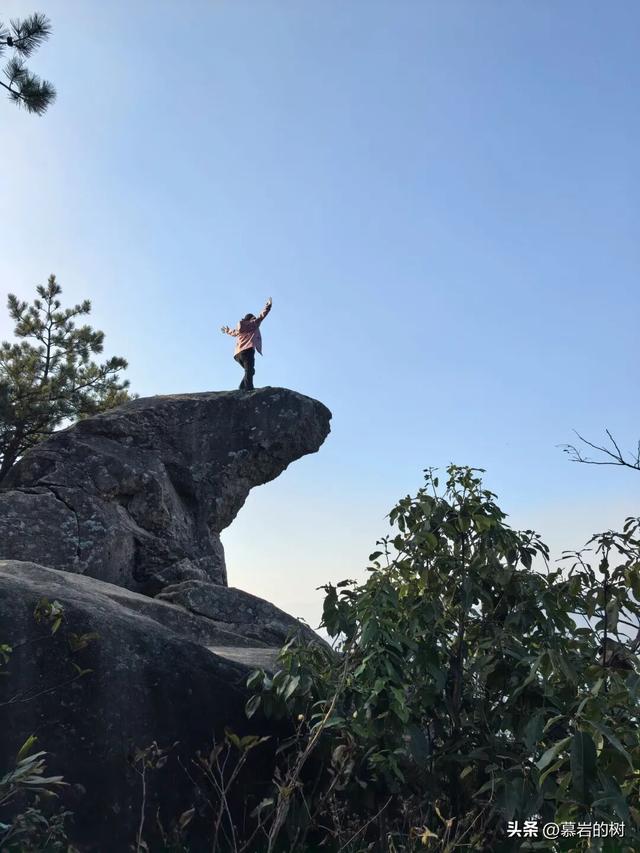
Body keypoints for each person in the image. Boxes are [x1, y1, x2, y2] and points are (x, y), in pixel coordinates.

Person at [221, 297, 273, 390]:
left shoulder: (240, 328)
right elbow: (262, 316)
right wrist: (268, 306)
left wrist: (226, 330)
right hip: (247, 350)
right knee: (249, 370)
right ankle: (249, 389)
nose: (255, 319)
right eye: (253, 318)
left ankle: (242, 387)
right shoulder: (253, 323)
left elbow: (233, 333)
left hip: (237, 355)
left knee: (250, 370)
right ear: (251, 319)